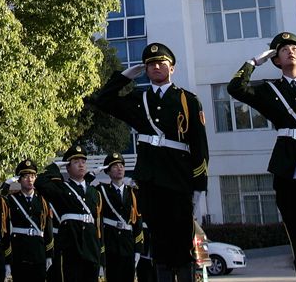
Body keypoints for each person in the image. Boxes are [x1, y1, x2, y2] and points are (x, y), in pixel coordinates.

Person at [89, 42, 209, 282]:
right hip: (150, 177)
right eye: (150, 64)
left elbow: (200, 146)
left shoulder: (188, 100)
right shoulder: (138, 98)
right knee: (159, 242)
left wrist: (199, 186)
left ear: (172, 68)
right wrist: (124, 77)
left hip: (178, 176)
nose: (156, 67)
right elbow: (103, 100)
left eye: (161, 63)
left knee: (181, 240)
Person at [227, 32, 296, 282]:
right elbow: (235, 88)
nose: (290, 51)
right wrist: (253, 62)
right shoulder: (270, 90)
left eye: (295, 48)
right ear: (276, 60)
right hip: (287, 168)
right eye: (283, 50)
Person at [36, 144, 102, 282]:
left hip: (90, 244)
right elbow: (40, 182)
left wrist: (101, 253)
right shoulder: (62, 188)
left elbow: (98, 224)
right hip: (70, 242)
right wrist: (55, 166)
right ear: (67, 167)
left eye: (83, 162)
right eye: (76, 162)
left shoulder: (94, 192)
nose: (81, 165)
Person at [4, 159, 52, 282]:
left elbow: (48, 228)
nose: (30, 180)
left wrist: (49, 254)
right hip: (19, 251)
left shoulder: (42, 200)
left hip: (38, 251)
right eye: (25, 176)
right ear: (19, 179)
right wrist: (7, 184)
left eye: (32, 176)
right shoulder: (12, 199)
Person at [95, 153, 141, 282]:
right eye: (115, 166)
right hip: (111, 243)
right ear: (108, 171)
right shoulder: (101, 191)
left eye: (121, 165)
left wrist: (138, 249)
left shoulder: (132, 192)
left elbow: (137, 221)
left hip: (128, 244)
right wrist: (92, 174)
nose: (119, 168)